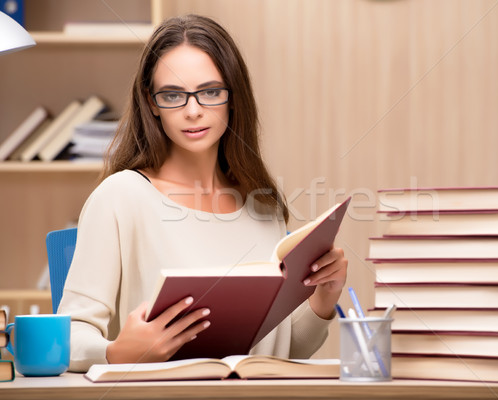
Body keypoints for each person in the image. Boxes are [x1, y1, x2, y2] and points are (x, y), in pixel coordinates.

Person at [57, 14, 348, 372]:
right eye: (173, 95)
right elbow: (68, 337)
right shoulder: (119, 197)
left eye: (210, 92)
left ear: (232, 97)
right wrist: (116, 352)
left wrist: (323, 299)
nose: (193, 111)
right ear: (151, 103)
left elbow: (283, 352)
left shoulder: (262, 206)